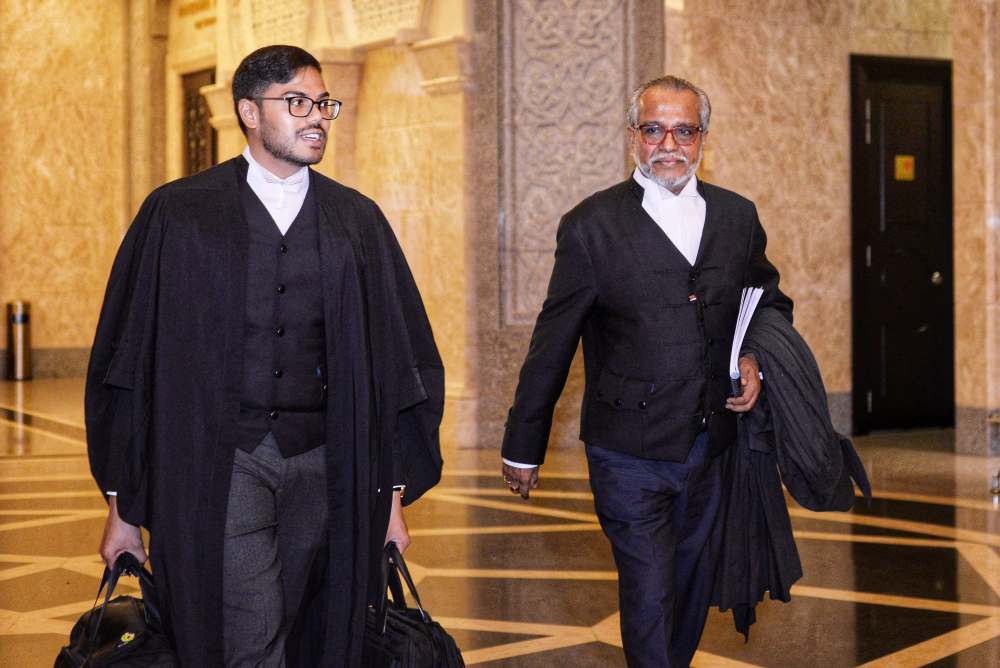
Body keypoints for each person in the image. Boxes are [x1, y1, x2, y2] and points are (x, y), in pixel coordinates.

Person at [86, 44, 444, 667]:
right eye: (297, 102)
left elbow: (396, 363)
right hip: (223, 462)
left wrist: (389, 499)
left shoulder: (356, 222)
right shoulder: (179, 214)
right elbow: (130, 360)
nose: (317, 117)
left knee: (314, 627)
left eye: (323, 103)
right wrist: (123, 505)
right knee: (249, 629)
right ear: (249, 112)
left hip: (327, 462)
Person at [500, 76, 792, 667]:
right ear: (633, 135)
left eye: (684, 131)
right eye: (654, 129)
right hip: (626, 451)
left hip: (712, 445)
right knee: (649, 591)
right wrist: (523, 445)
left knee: (690, 589)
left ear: (703, 137)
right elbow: (553, 341)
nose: (669, 145)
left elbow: (767, 302)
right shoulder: (590, 225)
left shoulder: (737, 217)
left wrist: (755, 357)